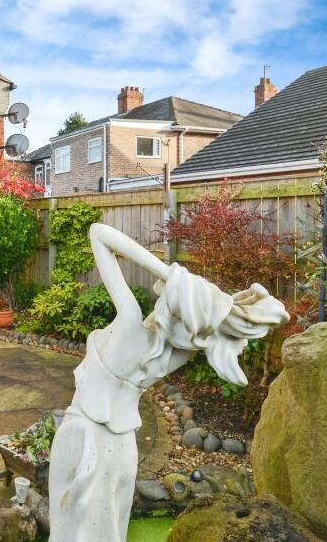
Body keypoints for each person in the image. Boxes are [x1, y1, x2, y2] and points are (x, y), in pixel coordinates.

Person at [48, 224, 289, 542]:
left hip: (84, 435)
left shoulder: (130, 322)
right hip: (121, 446)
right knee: (108, 527)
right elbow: (204, 320)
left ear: (171, 302)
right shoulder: (174, 355)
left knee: (70, 525)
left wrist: (171, 273)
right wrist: (211, 300)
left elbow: (98, 233)